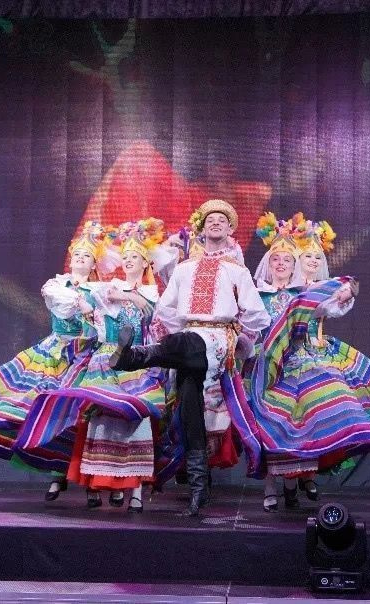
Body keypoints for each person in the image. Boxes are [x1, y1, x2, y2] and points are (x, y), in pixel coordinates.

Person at [250, 214, 370, 510]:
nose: (281, 264)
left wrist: (345, 293)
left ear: (294, 266)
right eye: (276, 259)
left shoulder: (302, 295)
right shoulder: (258, 296)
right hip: (270, 365)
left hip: (301, 362)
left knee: (305, 421)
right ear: (268, 264)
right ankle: (271, 486)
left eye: (287, 260)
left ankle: (297, 483)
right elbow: (249, 327)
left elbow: (327, 306)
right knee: (270, 423)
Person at [110, 199, 271, 516]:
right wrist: (174, 336)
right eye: (210, 219)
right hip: (186, 345)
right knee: (189, 413)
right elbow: (166, 309)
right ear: (201, 228)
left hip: (217, 339)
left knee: (190, 343)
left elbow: (256, 314)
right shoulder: (184, 269)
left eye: (222, 220)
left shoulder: (237, 271)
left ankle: (134, 357)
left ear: (230, 229)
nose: (216, 223)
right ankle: (199, 492)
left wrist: (241, 341)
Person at [0, 221, 107, 501]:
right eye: (77, 254)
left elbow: (101, 324)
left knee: (83, 417)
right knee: (47, 410)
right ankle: (56, 474)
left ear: (94, 264)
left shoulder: (100, 291)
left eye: (86, 256)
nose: (80, 259)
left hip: (85, 355)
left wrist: (93, 308)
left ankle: (91, 483)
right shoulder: (57, 285)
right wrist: (83, 304)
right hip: (55, 353)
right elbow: (62, 306)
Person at [17, 219, 170, 512]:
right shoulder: (109, 288)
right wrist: (127, 296)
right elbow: (102, 305)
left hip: (138, 361)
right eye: (125, 257)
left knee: (137, 420)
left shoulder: (153, 295)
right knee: (99, 421)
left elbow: (156, 322)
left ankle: (135, 490)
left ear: (145, 263)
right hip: (105, 359)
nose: (128, 261)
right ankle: (97, 483)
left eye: (134, 257)